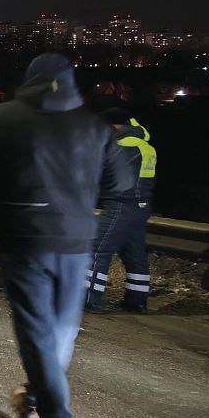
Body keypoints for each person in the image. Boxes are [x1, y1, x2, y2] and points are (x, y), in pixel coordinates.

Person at [0, 53, 126, 418]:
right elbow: (119, 182)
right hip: (75, 243)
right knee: (62, 332)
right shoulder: (93, 124)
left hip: (23, 239)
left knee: (37, 335)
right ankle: (33, 400)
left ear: (29, 79)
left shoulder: (1, 118)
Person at [86, 109, 157, 313]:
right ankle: (137, 301)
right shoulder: (145, 146)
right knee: (134, 255)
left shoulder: (120, 145)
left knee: (98, 249)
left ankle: (89, 298)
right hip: (141, 206)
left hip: (121, 204)